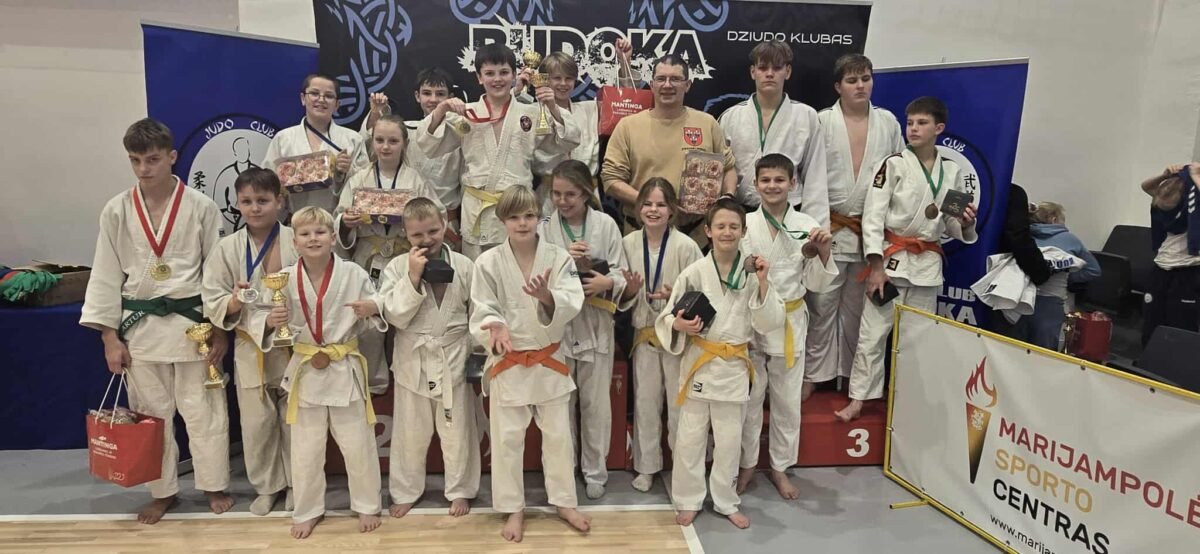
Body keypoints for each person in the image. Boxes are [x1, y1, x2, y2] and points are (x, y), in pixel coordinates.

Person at [80, 118, 232, 524]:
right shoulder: (117, 210)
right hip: (141, 327)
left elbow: (215, 273)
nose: (143, 169)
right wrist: (109, 338)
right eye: (135, 160)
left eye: (152, 159)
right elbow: (105, 275)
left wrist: (219, 329)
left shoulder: (201, 206)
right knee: (151, 414)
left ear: (172, 157)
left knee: (203, 410)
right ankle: (162, 491)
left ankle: (213, 484)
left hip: (193, 325)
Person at [837, 97, 979, 422]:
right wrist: (875, 266)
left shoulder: (952, 172)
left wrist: (967, 223)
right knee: (873, 334)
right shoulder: (893, 165)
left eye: (921, 123)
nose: (913, 129)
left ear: (939, 128)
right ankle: (859, 398)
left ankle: (905, 399)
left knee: (918, 340)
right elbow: (873, 218)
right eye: (910, 122)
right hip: (891, 262)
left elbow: (952, 224)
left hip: (927, 265)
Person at [469, 186, 590, 542]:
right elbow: (482, 306)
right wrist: (496, 325)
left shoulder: (558, 258)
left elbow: (573, 300)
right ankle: (513, 508)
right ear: (502, 220)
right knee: (507, 440)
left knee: (559, 437)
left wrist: (548, 297)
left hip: (548, 360)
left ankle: (564, 502)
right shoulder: (488, 262)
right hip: (509, 361)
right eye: (514, 217)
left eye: (529, 215)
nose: (522, 223)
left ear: (539, 218)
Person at [656, 198, 785, 529]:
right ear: (708, 231)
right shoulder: (694, 272)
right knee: (690, 438)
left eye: (734, 226)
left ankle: (726, 501)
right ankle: (688, 499)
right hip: (699, 362)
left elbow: (769, 322)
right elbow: (667, 317)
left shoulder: (753, 272)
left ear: (744, 232)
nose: (727, 232)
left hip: (733, 367)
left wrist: (764, 283)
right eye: (720, 226)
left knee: (729, 441)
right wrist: (677, 325)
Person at [261, 206, 385, 539]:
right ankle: (307, 510)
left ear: (333, 237)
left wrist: (372, 309)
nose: (313, 239)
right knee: (305, 449)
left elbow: (377, 309)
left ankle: (367, 504)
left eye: (319, 232)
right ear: (295, 242)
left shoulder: (353, 273)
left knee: (357, 444)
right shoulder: (284, 278)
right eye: (305, 234)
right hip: (306, 368)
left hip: (343, 365)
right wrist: (271, 322)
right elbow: (266, 319)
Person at [417, 44, 581, 260]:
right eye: (489, 73)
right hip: (477, 210)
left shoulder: (531, 114)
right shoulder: (466, 114)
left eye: (504, 72)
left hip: (517, 210)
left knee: (518, 270)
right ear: (479, 77)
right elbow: (429, 146)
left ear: (514, 75)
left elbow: (570, 139)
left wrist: (552, 106)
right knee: (478, 273)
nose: (497, 79)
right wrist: (441, 109)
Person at [737, 154, 837, 499]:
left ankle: (780, 467)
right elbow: (735, 274)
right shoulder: (744, 224)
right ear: (755, 184)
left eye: (780, 180)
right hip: (753, 319)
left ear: (793, 183)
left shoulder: (807, 225)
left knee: (787, 401)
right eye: (765, 180)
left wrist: (823, 252)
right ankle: (747, 464)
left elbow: (817, 283)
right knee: (750, 400)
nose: (772, 186)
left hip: (791, 321)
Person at [805, 53, 905, 395]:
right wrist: (816, 229)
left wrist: (889, 230)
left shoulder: (888, 123)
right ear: (838, 86)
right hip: (830, 228)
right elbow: (811, 178)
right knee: (821, 306)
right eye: (852, 80)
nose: (860, 86)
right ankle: (814, 374)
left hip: (869, 233)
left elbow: (898, 176)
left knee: (857, 311)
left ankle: (850, 375)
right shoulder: (822, 121)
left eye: (865, 78)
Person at [201, 168, 298, 516]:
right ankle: (268, 487)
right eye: (247, 201)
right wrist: (233, 302)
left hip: (294, 340)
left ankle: (298, 485)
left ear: (279, 201)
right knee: (257, 424)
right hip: (250, 344)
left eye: (263, 200)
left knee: (296, 420)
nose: (255, 208)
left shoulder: (297, 239)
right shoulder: (227, 248)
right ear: (238, 204)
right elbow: (211, 297)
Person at [379, 198, 480, 518]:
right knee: (410, 432)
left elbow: (477, 313)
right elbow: (394, 316)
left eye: (433, 231)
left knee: (457, 430)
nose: (427, 239)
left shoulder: (465, 266)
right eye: (417, 235)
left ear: (445, 225)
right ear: (405, 234)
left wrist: (477, 351)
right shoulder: (397, 267)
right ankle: (405, 490)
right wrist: (412, 277)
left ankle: (460, 489)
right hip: (413, 359)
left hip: (453, 356)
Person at [538, 160, 628, 499]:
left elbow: (621, 271)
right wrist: (564, 257)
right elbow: (536, 271)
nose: (562, 201)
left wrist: (608, 282)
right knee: (560, 406)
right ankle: (563, 471)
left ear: (586, 193)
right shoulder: (545, 227)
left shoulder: (606, 225)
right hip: (560, 328)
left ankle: (595, 472)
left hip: (596, 323)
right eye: (556, 194)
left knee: (595, 405)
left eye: (570, 195)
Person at [335, 114, 443, 393]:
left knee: (405, 316)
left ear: (404, 143)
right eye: (380, 140)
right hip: (367, 257)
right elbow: (339, 216)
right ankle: (374, 384)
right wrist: (346, 222)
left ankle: (406, 381)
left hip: (404, 257)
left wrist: (419, 231)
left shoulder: (416, 180)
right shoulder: (358, 179)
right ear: (371, 142)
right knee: (369, 322)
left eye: (393, 141)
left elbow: (437, 214)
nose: (385, 147)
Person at [619, 178, 703, 493]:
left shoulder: (686, 246)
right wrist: (630, 291)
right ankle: (646, 467)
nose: (653, 210)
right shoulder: (628, 243)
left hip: (678, 339)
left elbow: (701, 293)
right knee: (645, 402)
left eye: (661, 204)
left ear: (672, 210)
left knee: (680, 406)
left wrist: (676, 299)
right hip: (644, 335)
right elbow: (620, 293)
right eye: (648, 204)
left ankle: (683, 466)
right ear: (638, 207)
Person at [601, 53, 737, 242]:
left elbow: (728, 168)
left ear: (687, 85)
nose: (667, 85)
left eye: (675, 79)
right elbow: (611, 180)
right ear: (652, 84)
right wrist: (656, 205)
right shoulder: (628, 126)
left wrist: (727, 197)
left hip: (696, 235)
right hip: (641, 235)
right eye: (661, 79)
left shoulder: (707, 123)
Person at [718, 40, 828, 223]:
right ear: (753, 72)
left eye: (777, 68)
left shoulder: (806, 116)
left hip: (791, 214)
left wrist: (815, 226)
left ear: (788, 71)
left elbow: (815, 176)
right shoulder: (731, 117)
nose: (769, 74)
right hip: (743, 214)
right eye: (762, 68)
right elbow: (721, 171)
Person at [356, 68, 464, 233]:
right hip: (403, 221)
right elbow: (367, 146)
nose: (433, 99)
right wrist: (376, 112)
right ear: (417, 96)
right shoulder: (406, 130)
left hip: (446, 221)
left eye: (440, 94)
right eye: (426, 93)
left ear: (450, 97)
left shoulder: (461, 132)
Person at [262, 74, 363, 216]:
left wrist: (347, 171)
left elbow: (365, 184)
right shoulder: (283, 138)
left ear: (337, 105)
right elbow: (266, 183)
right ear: (303, 98)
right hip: (295, 220)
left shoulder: (353, 139)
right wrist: (282, 180)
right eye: (314, 93)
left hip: (335, 221)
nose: (321, 100)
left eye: (329, 96)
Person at [1017, 202, 1100, 350]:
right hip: (1050, 303)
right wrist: (1070, 278)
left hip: (1018, 299)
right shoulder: (1069, 239)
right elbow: (1093, 270)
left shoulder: (1022, 236)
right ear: (1054, 219)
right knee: (1044, 352)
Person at [1140, 163, 1200, 344]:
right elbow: (1146, 187)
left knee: (1180, 324)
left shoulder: (1196, 205)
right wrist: (1164, 176)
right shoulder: (1174, 210)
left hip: (1189, 270)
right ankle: (1148, 358)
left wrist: (1195, 176)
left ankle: (1176, 361)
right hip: (1161, 267)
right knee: (1152, 320)